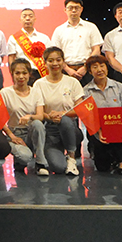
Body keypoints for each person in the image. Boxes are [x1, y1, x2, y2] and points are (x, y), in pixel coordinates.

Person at [73, 55, 122, 174]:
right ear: (90, 72)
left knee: (116, 135)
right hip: (97, 130)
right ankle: (99, 151)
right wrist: (98, 132)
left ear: (107, 68)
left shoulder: (119, 87)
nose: (99, 70)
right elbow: (87, 117)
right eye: (95, 67)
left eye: (102, 66)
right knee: (102, 167)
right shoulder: (86, 91)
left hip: (117, 128)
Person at [0, 58, 47, 175]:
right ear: (12, 74)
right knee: (25, 157)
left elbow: (40, 116)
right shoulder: (5, 92)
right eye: (17, 73)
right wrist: (11, 135)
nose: (21, 76)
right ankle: (19, 159)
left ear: (29, 74)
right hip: (15, 133)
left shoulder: (36, 92)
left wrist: (30, 117)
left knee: (37, 124)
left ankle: (40, 163)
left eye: (24, 73)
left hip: (32, 131)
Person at [33, 46, 83, 175]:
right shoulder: (39, 84)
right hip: (50, 129)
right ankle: (60, 157)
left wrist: (62, 114)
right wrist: (50, 117)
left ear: (63, 62)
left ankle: (71, 157)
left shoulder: (73, 82)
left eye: (58, 60)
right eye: (51, 60)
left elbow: (80, 109)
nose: (55, 63)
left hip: (70, 127)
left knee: (64, 120)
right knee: (59, 168)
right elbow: (39, 112)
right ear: (45, 63)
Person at [50, 0, 103, 85]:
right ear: (65, 10)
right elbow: (55, 53)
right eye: (70, 8)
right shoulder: (59, 30)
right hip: (66, 70)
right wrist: (67, 69)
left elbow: (96, 50)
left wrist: (86, 67)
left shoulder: (91, 27)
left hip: (88, 70)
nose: (73, 10)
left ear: (81, 9)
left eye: (76, 8)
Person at [7, 8, 51, 86]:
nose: (27, 18)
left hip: (41, 73)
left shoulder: (44, 37)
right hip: (23, 74)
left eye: (30, 16)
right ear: (20, 20)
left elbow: (49, 57)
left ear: (35, 19)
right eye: (24, 16)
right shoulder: (13, 38)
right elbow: (11, 59)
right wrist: (13, 75)